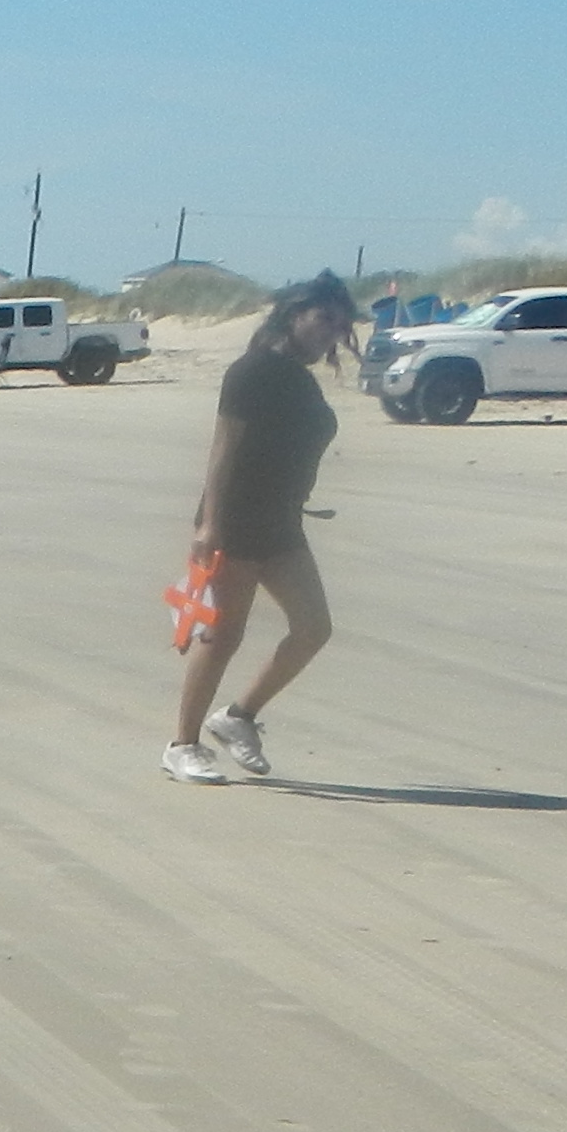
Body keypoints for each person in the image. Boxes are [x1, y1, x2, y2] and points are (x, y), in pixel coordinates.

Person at [166, 272, 356, 783]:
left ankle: (237, 717)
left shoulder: (297, 374)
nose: (332, 331)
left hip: (281, 522)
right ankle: (182, 745)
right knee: (223, 636)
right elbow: (223, 449)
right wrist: (209, 525)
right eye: (323, 318)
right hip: (235, 520)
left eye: (341, 324)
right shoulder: (253, 371)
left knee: (314, 628)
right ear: (294, 314)